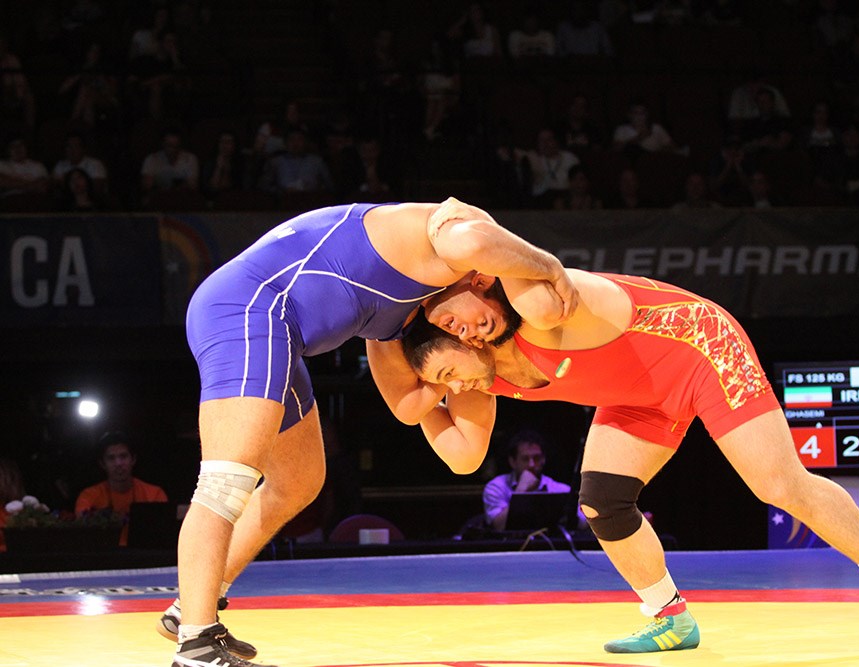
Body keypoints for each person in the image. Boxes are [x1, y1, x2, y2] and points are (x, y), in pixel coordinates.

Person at [368, 268, 859, 656]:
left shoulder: (534, 306)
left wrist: (471, 254)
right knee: (603, 502)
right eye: (443, 380)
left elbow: (516, 261)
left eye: (455, 353)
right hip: (635, 393)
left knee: (778, 484)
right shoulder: (477, 375)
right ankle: (670, 617)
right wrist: (388, 359)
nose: (456, 383)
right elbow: (463, 457)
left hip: (699, 347)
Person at [165, 198, 578, 667]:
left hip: (279, 334)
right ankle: (196, 646)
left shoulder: (406, 318)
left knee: (299, 481)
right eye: (480, 324)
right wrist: (550, 267)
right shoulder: (449, 242)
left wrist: (462, 377)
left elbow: (450, 443)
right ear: (482, 279)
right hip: (247, 308)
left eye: (476, 339)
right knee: (226, 481)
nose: (467, 334)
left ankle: (192, 606)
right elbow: (476, 239)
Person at [75, 431, 169, 546]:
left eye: (123, 456)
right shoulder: (88, 496)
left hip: (144, 553)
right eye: (111, 458)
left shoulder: (155, 494)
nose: (118, 463)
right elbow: (83, 532)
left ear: (133, 460)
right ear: (102, 464)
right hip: (105, 553)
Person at [483, 428, 586, 531]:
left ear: (543, 459)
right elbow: (499, 526)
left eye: (536, 458)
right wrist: (520, 491)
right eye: (525, 459)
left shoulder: (561, 490)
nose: (531, 464)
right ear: (512, 462)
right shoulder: (496, 487)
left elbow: (584, 524)